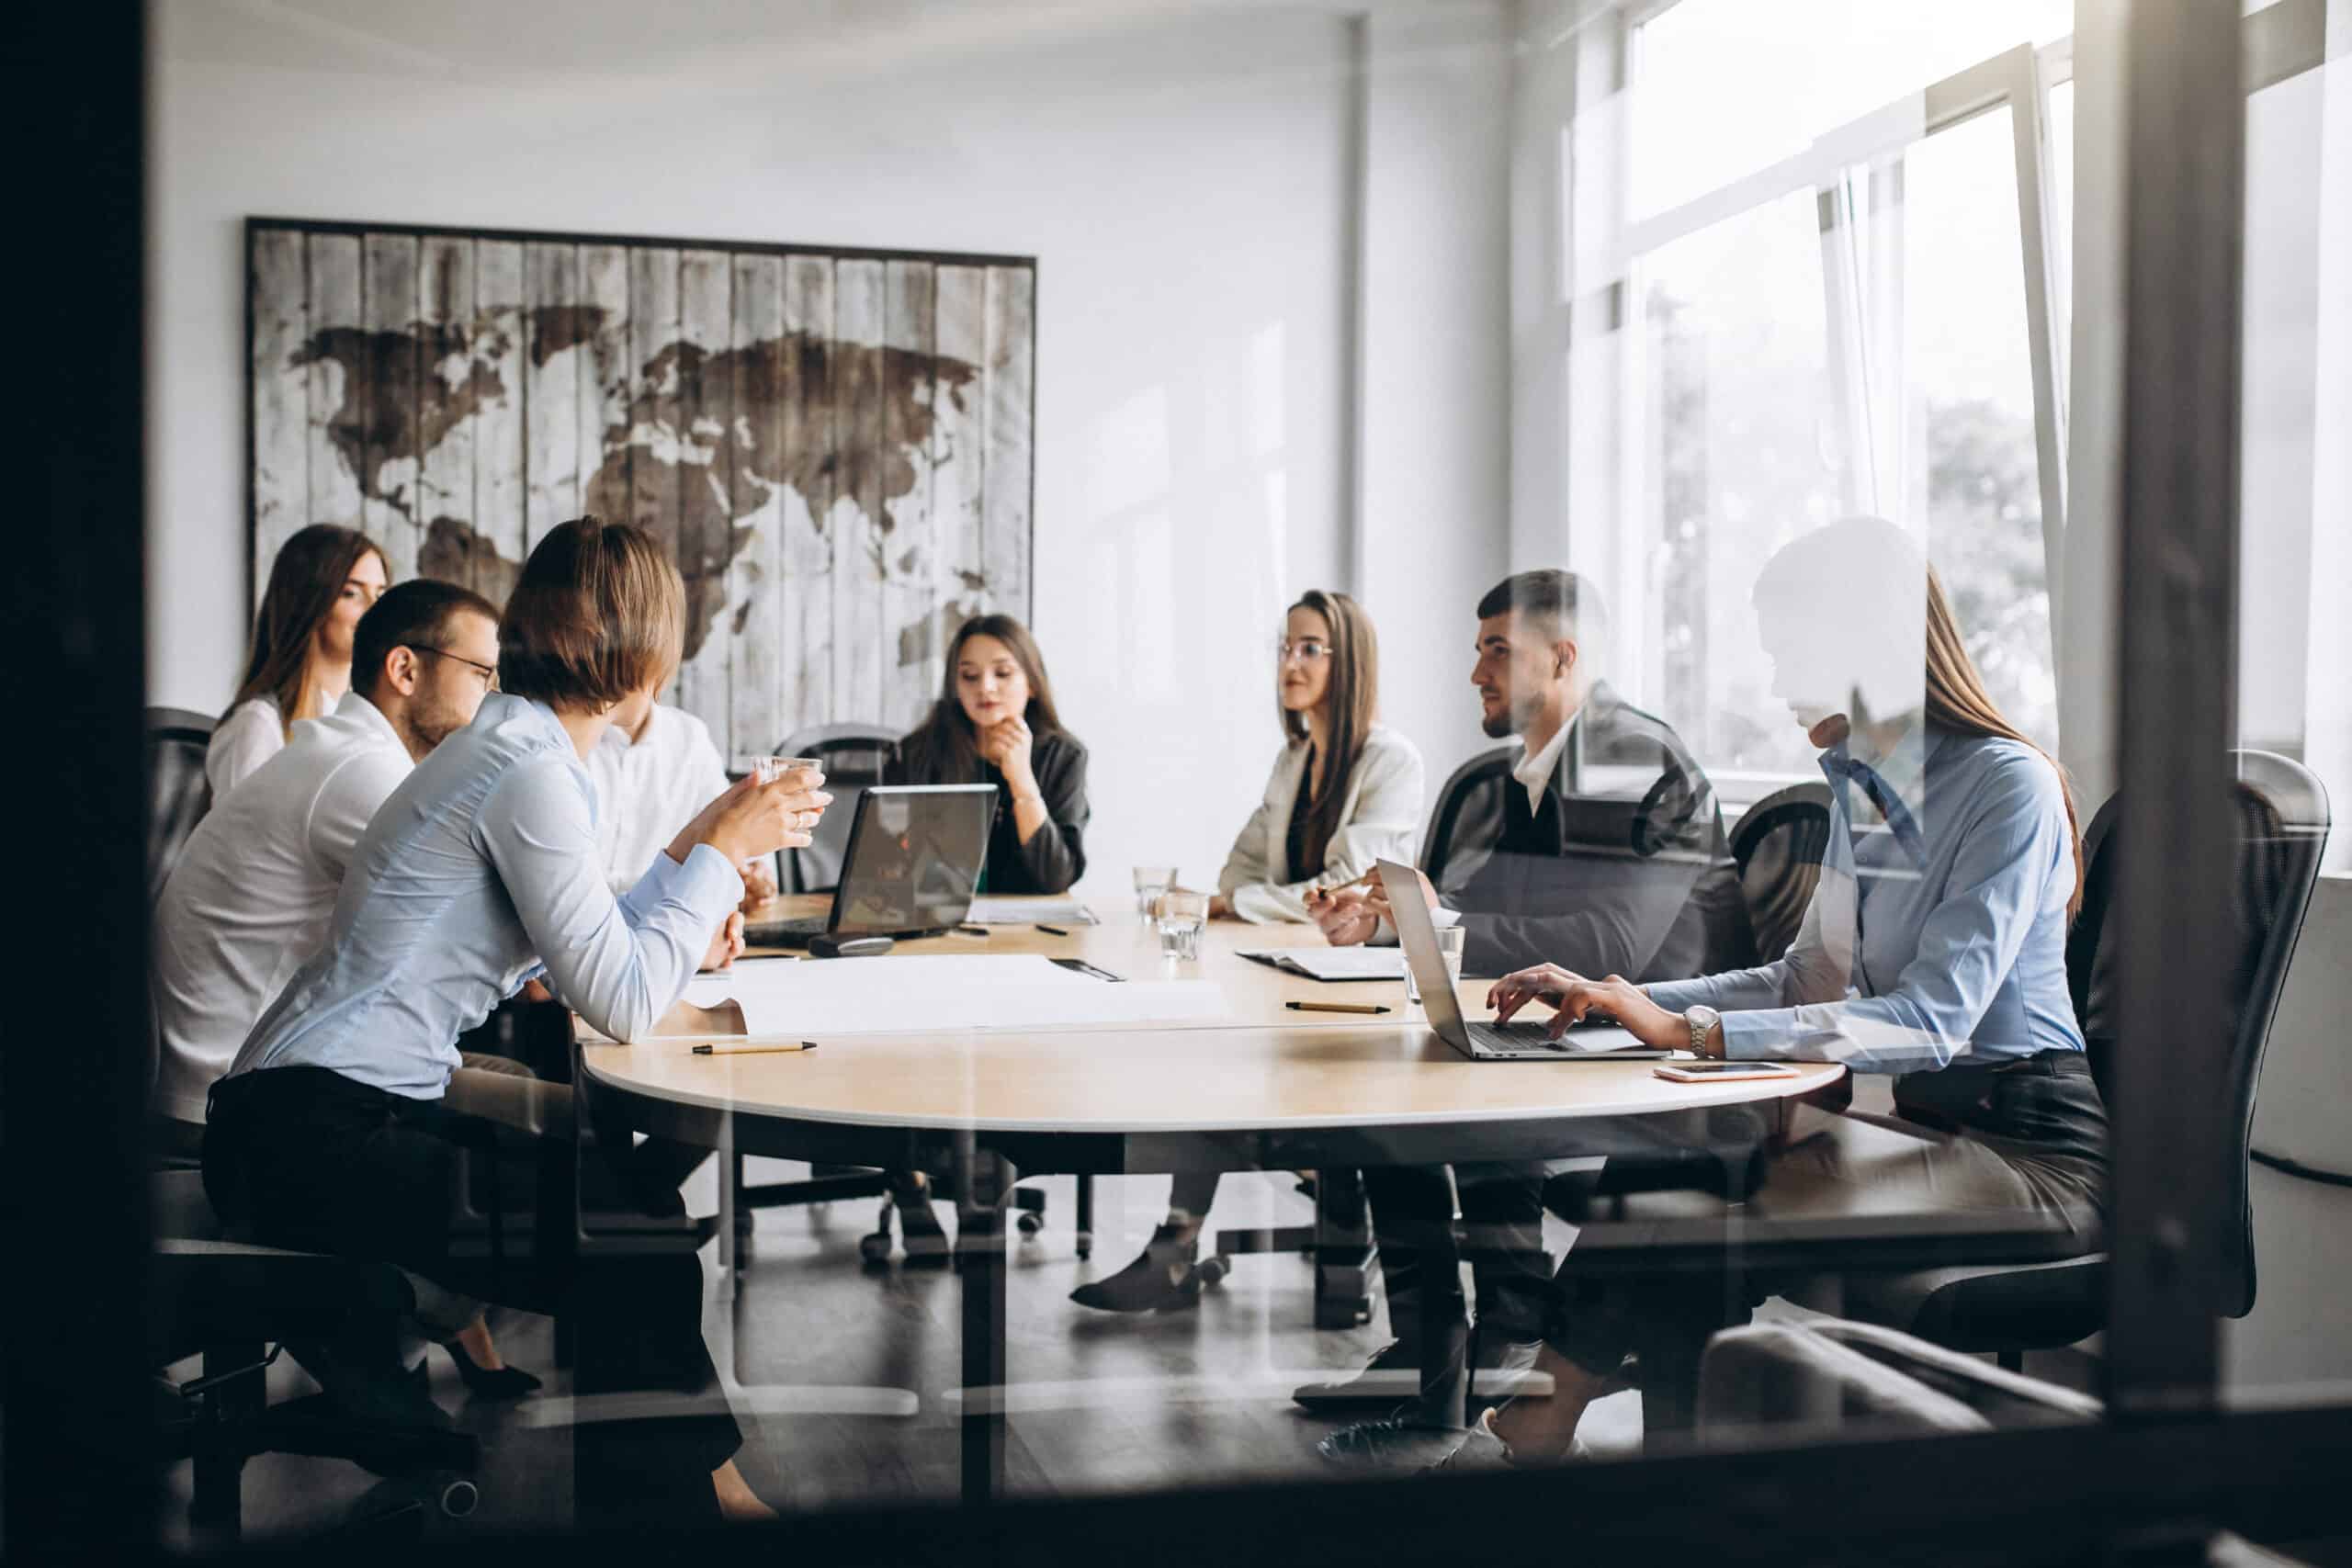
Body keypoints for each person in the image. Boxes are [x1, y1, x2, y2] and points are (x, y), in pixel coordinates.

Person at [1426, 516, 2104, 1472]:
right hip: (1920, 1127)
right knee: (1667, 1173)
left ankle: (1555, 1436)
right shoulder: (1868, 789)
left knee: (1696, 1203)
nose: (1779, 683)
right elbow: (1801, 976)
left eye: (1792, 650)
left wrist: (1693, 1030)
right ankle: (1588, 1448)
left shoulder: (2007, 787)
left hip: (2029, 1148)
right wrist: (1624, 995)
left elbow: (1934, 1021)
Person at [202, 517, 829, 1524]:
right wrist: (713, 857)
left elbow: (592, 943)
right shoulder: (529, 770)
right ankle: (690, 1506)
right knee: (630, 1240)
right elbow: (618, 997)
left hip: (309, 1113)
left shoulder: (520, 750)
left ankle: (692, 1494)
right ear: (644, 655)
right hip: (305, 1133)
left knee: (632, 1208)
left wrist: (708, 851)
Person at [1302, 570, 1752, 1452]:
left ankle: (1476, 1358)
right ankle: (1448, 1356)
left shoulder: (1627, 752)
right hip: (1579, 1027)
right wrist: (1390, 920)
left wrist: (1446, 917)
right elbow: (1488, 911)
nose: (1477, 672)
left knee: (1401, 1111)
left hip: (1666, 1046)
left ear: (1564, 657)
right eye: (1478, 651)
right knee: (1380, 1105)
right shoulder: (1534, 768)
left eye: (1497, 651)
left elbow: (1614, 942)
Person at [154, 580, 546, 1393]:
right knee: (514, 1114)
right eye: (483, 674)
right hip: (249, 1100)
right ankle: (402, 1342)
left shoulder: (339, 751)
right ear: (405, 668)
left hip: (255, 1071)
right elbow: (501, 912)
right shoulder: (361, 774)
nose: (497, 700)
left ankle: (409, 1342)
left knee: (503, 1094)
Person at [1071, 590, 1424, 1313]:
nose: (1289, 662)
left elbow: (1344, 889)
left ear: (1349, 659)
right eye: (1285, 646)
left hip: (1356, 980)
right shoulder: (1293, 759)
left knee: (1231, 1053)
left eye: (1309, 648)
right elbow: (1237, 872)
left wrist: (1251, 901)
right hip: (1287, 962)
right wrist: (1256, 898)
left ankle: (1311, 1247)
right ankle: (1176, 1250)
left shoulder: (1393, 761)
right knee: (1211, 1045)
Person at [887, 613, 1089, 896]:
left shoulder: (1064, 755)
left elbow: (1055, 877)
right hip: (937, 921)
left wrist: (1023, 783)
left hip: (1031, 929)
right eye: (969, 676)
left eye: (1002, 673)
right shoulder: (917, 752)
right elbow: (890, 864)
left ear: (1031, 683)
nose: (985, 687)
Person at [209, 525, 390, 798]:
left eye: (380, 594)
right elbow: (243, 839)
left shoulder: (368, 719)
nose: (376, 611)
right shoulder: (258, 725)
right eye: (351, 593)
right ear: (310, 602)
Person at [585, 690, 779, 914]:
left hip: (664, 918)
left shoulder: (689, 736)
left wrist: (754, 876)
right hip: (586, 923)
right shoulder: (568, 735)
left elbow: (733, 828)